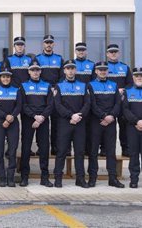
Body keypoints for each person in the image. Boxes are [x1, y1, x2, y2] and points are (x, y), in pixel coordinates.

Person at [52, 60, 91, 188]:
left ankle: (80, 179)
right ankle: (58, 179)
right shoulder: (59, 86)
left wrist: (78, 115)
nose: (70, 70)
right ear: (64, 70)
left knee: (79, 152)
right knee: (62, 151)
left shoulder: (83, 85)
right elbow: (57, 105)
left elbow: (87, 103)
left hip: (80, 122)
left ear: (75, 70)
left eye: (72, 68)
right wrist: (70, 115)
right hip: (65, 122)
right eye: (68, 68)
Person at [87, 61, 125, 188]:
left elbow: (118, 103)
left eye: (105, 70)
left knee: (110, 151)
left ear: (107, 71)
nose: (103, 72)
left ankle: (112, 178)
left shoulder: (114, 85)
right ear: (96, 71)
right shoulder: (90, 85)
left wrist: (111, 116)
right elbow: (91, 104)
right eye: (100, 70)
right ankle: (92, 178)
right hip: (96, 122)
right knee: (93, 151)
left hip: (111, 122)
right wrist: (103, 116)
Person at [19, 59, 54, 187]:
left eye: (37, 70)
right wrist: (34, 116)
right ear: (29, 71)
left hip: (43, 120)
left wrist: (41, 117)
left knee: (44, 149)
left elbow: (50, 104)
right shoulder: (23, 86)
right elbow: (22, 105)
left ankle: (44, 178)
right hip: (29, 120)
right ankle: (24, 177)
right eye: (33, 70)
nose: (35, 72)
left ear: (40, 71)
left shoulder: (47, 85)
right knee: (26, 149)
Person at [0, 68, 22, 187]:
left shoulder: (16, 90)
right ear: (0, 78)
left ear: (10, 78)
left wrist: (11, 117)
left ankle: (11, 177)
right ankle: (2, 177)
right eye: (3, 77)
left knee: (12, 151)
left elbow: (19, 106)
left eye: (8, 77)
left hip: (13, 122)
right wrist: (5, 117)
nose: (5, 79)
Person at [36, 35, 63, 156]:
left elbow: (63, 75)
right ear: (43, 44)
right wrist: (46, 87)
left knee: (56, 122)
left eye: (50, 42)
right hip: (42, 93)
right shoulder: (37, 58)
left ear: (53, 44)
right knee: (42, 121)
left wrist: (55, 87)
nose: (48, 44)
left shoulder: (59, 58)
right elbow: (35, 74)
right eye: (46, 42)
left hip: (56, 93)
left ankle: (55, 147)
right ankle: (40, 147)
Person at [106, 44, 132, 157]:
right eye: (111, 52)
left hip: (121, 102)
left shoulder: (125, 67)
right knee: (106, 125)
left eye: (115, 52)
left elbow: (130, 84)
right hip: (107, 102)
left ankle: (125, 149)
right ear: (107, 54)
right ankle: (104, 149)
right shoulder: (103, 67)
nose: (113, 54)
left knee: (124, 126)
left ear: (119, 53)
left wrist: (123, 90)